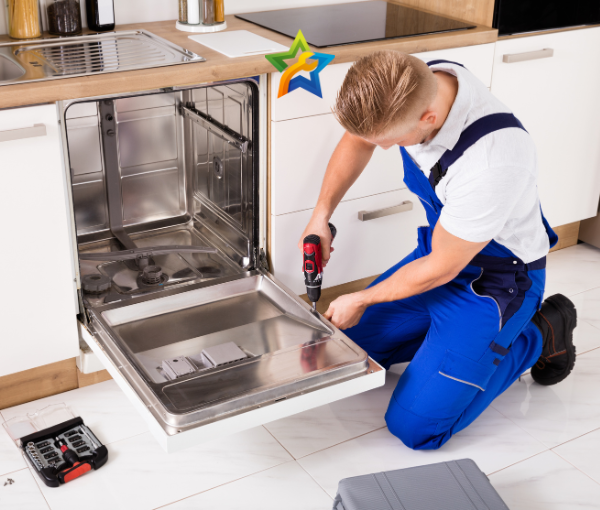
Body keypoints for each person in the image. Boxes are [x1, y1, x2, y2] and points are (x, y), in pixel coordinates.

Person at [298, 51, 577, 451]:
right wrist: (319, 216)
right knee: (345, 354)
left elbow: (442, 268)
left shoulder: (493, 159)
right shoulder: (411, 80)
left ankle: (539, 332)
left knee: (415, 429)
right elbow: (359, 137)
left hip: (496, 283)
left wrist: (364, 296)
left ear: (428, 119)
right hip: (440, 253)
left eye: (389, 142)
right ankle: (450, 345)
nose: (380, 148)